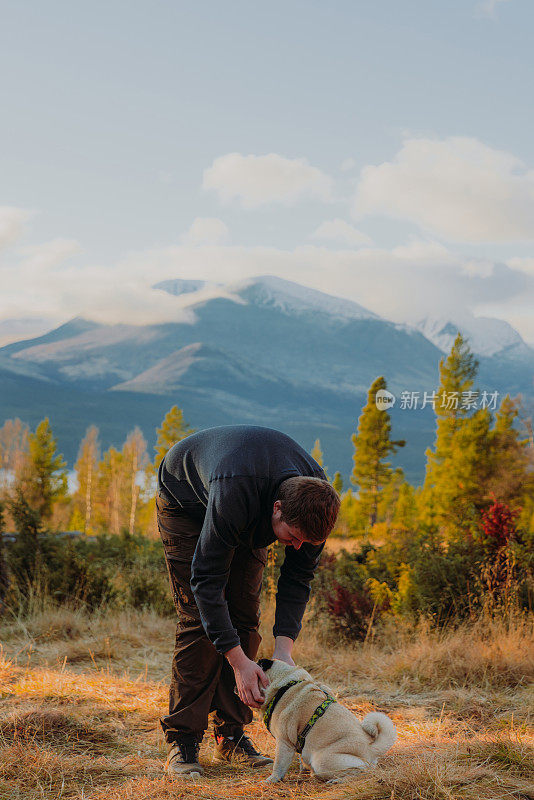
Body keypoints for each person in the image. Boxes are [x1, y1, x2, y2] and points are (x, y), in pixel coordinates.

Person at [155, 424, 340, 777]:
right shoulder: (235, 493)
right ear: (277, 509)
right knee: (198, 620)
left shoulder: (314, 504)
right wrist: (239, 663)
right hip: (186, 501)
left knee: (244, 616)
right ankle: (184, 740)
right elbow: (206, 580)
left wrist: (284, 651)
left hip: (246, 498)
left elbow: (298, 578)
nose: (298, 547)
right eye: (293, 537)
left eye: (308, 543)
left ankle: (231, 735)